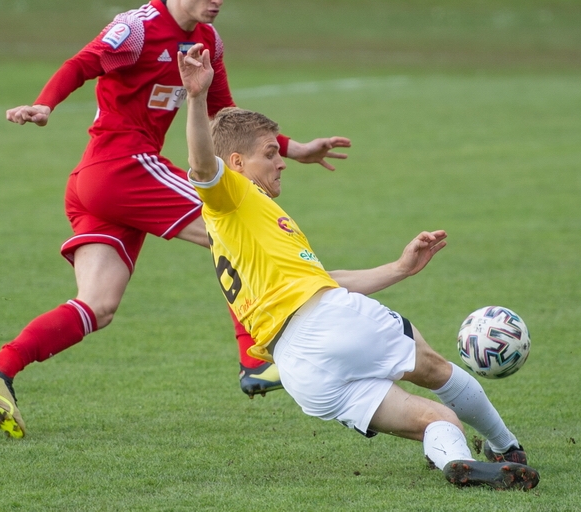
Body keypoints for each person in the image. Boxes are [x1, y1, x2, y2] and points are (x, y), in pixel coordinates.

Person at [0, 0, 351, 439]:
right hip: (122, 165)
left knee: (98, 305)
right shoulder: (138, 27)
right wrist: (45, 105)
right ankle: (253, 359)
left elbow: (226, 113)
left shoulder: (206, 43)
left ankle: (0, 366)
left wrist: (294, 148)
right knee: (231, 225)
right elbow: (84, 62)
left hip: (99, 183)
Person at [178, 43, 539, 490]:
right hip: (328, 324)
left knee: (437, 420)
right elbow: (200, 164)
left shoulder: (247, 229)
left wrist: (400, 268)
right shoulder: (230, 195)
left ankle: (455, 464)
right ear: (236, 164)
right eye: (270, 153)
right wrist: (196, 98)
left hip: (301, 371)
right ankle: (507, 447)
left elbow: (324, 282)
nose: (280, 163)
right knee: (434, 368)